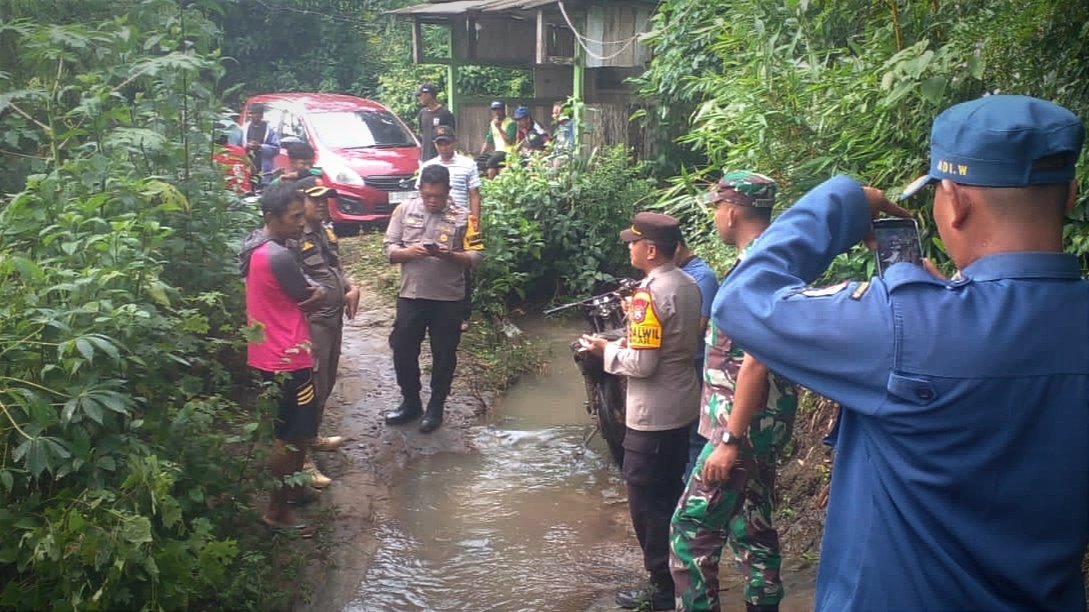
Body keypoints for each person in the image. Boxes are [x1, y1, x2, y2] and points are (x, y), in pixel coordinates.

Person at [714, 95, 1088, 610]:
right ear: (1070, 194)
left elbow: (740, 303)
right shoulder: (920, 321)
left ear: (953, 202)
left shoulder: (903, 324)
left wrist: (839, 203)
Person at [670, 172, 798, 612]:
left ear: (732, 211)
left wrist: (729, 440)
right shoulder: (776, 262)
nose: (716, 218)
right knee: (753, 528)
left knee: (689, 535)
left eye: (716, 209)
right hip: (760, 426)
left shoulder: (756, 268)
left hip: (739, 429)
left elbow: (755, 359)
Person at [579, 212, 702, 611]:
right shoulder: (689, 284)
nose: (629, 248)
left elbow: (643, 365)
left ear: (650, 250)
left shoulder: (648, 296)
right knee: (671, 493)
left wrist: (604, 350)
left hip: (653, 413)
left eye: (633, 242)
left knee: (647, 504)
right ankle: (682, 578)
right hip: (684, 402)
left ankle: (661, 589)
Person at [239, 182, 326, 533]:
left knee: (288, 430)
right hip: (289, 356)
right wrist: (318, 293)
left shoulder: (254, 246)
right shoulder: (278, 256)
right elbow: (312, 294)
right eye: (294, 217)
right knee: (292, 434)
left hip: (266, 353)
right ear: (272, 217)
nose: (301, 224)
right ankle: (277, 509)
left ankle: (295, 489)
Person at [382, 164, 483, 433]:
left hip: (448, 299)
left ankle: (436, 406)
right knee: (402, 348)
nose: (432, 201)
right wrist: (408, 253)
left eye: (437, 196)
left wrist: (448, 255)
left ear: (448, 191)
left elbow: (476, 257)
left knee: (444, 354)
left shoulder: (465, 217)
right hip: (411, 294)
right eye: (427, 195)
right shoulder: (404, 210)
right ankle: (410, 401)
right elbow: (389, 250)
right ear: (420, 190)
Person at [290, 176, 361, 488]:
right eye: (315, 199)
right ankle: (301, 459)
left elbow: (334, 268)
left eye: (325, 199)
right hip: (311, 324)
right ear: (299, 202)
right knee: (310, 390)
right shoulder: (292, 238)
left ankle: (313, 437)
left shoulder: (325, 231)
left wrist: (351, 287)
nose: (322, 204)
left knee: (327, 381)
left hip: (334, 320)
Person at [417, 125, 483, 331]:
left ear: (454, 142)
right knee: (434, 262)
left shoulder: (467, 164)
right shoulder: (428, 166)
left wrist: (475, 222)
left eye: (446, 142)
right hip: (434, 221)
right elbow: (420, 195)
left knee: (464, 265)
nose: (443, 147)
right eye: (439, 143)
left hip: (462, 223)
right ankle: (431, 309)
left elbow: (474, 194)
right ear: (435, 145)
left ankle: (463, 314)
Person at [674, 238, 719, 481]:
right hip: (686, 365)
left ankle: (692, 492)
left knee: (696, 433)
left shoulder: (702, 277)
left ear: (677, 247)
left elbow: (697, 328)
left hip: (698, 364)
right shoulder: (681, 274)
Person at [240, 103, 280, 189]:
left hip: (264, 171)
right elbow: (237, 148)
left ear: (262, 115)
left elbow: (276, 149)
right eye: (253, 113)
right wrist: (247, 146)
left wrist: (260, 147)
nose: (255, 116)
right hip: (247, 170)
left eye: (258, 114)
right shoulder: (244, 129)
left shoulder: (269, 130)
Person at [416, 82, 455, 164]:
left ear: (428, 95)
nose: (419, 98)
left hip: (441, 158)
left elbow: (451, 135)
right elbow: (422, 132)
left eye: (420, 95)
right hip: (425, 158)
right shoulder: (422, 113)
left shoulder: (445, 113)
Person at [479, 100, 516, 179]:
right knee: (478, 161)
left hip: (507, 152)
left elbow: (509, 141)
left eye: (499, 110)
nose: (497, 112)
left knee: (491, 162)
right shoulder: (493, 123)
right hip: (497, 152)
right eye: (495, 110)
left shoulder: (511, 123)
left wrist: (499, 128)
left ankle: (491, 183)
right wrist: (481, 155)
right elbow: (488, 141)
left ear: (503, 110)